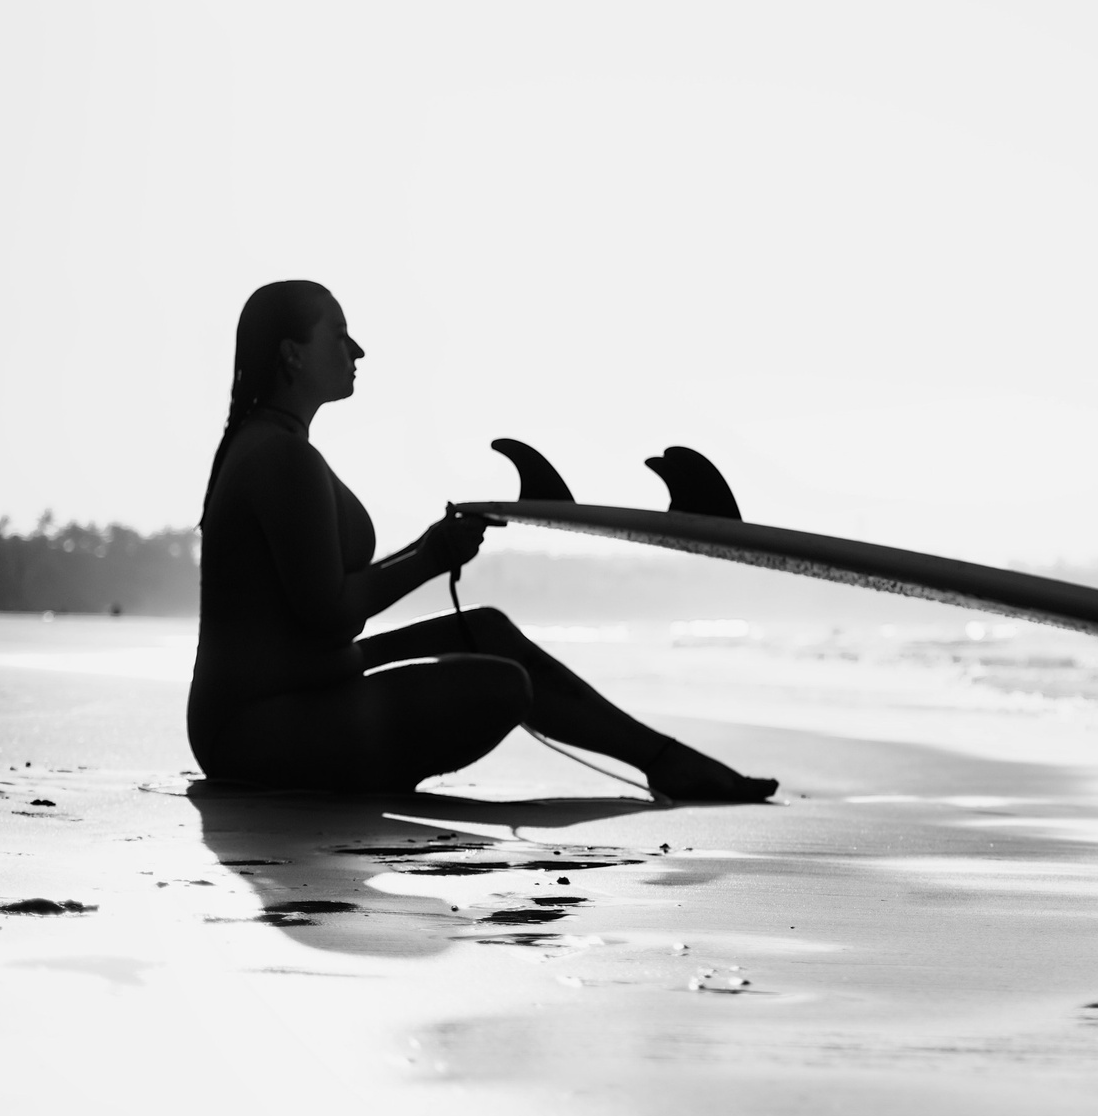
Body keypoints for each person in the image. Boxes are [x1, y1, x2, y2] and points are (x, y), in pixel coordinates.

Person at [187, 280, 775, 801]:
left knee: (486, 629)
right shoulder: (282, 457)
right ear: (292, 354)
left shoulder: (275, 446)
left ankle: (664, 759)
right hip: (258, 729)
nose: (357, 349)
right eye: (339, 335)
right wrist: (432, 557)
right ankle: (355, 771)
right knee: (501, 687)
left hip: (296, 691)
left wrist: (429, 548)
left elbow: (322, 599)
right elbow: (328, 615)